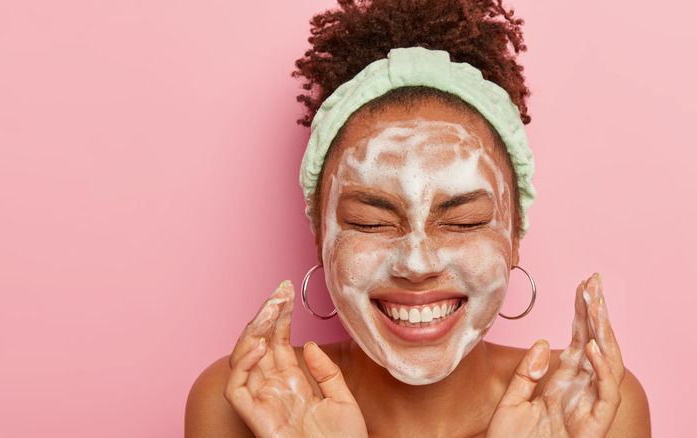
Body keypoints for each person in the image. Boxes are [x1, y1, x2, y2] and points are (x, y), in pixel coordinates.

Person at [185, 0, 651, 436]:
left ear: (513, 237)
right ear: (320, 235)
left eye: (464, 221)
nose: (417, 262)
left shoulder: (590, 407)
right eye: (370, 222)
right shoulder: (243, 403)